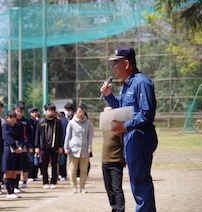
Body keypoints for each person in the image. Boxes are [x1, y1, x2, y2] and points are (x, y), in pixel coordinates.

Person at [100, 47, 158, 212]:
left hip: (139, 136)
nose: (112, 68)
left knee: (140, 181)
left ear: (126, 64)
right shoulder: (127, 84)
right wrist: (109, 96)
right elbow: (122, 107)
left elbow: (146, 112)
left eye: (115, 63)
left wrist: (124, 126)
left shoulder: (141, 82)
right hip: (131, 137)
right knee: (136, 180)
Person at [63, 106, 92, 194]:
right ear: (75, 113)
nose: (81, 113)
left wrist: (89, 147)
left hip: (84, 149)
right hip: (73, 148)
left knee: (84, 170)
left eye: (82, 111)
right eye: (79, 112)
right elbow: (68, 136)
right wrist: (66, 147)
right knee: (73, 169)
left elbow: (89, 135)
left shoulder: (88, 122)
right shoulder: (71, 123)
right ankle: (74, 187)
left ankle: (82, 187)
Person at [102, 105, 125, 212]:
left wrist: (124, 160)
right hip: (105, 161)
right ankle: (114, 208)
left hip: (116, 162)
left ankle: (120, 209)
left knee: (116, 188)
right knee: (108, 188)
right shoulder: (105, 127)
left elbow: (123, 144)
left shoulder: (119, 127)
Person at [35, 103, 63, 189]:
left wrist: (60, 146)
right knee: (44, 164)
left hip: (54, 146)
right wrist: (37, 146)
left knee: (54, 164)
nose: (49, 112)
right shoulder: (41, 121)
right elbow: (37, 134)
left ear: (54, 111)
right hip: (44, 146)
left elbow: (61, 135)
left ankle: (54, 181)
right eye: (48, 110)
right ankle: (45, 181)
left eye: (51, 110)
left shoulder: (57, 122)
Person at [1, 110, 24, 198]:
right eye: (10, 117)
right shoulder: (5, 126)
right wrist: (15, 147)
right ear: (7, 118)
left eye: (14, 117)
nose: (12, 120)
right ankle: (9, 192)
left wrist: (21, 146)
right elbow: (8, 137)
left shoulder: (18, 126)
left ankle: (14, 189)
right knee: (8, 170)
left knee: (15, 170)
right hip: (8, 149)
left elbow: (22, 136)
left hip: (18, 149)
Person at [13, 103, 34, 190]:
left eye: (20, 111)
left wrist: (31, 145)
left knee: (25, 164)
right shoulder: (11, 121)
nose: (19, 113)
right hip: (13, 146)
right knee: (15, 165)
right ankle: (14, 184)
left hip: (25, 145)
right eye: (17, 111)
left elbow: (30, 134)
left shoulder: (27, 121)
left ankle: (24, 181)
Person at [59, 102, 74, 181]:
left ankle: (76, 174)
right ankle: (62, 174)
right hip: (63, 143)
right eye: (66, 110)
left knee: (74, 160)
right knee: (62, 159)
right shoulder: (61, 120)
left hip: (73, 143)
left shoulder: (75, 119)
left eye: (69, 110)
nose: (68, 111)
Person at [28, 107, 42, 181]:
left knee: (37, 159)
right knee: (31, 160)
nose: (35, 114)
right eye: (33, 112)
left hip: (38, 143)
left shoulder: (39, 121)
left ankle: (35, 175)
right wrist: (30, 146)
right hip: (30, 143)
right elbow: (27, 135)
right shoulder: (28, 122)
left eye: (36, 112)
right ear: (30, 114)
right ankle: (30, 175)